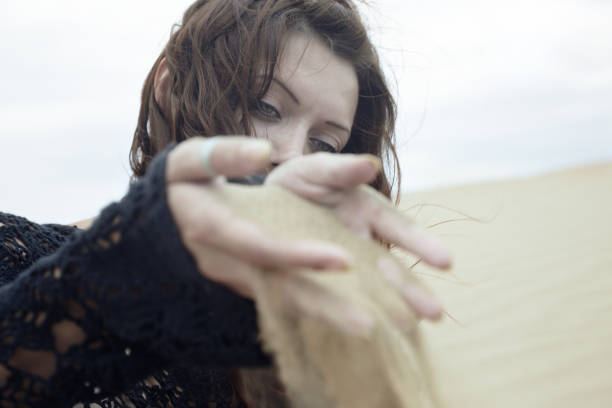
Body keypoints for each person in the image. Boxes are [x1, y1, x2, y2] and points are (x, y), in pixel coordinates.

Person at [0, 1, 450, 407]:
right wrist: (132, 275)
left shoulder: (307, 333)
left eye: (325, 144)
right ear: (171, 86)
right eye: (266, 107)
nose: (292, 155)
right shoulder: (15, 256)